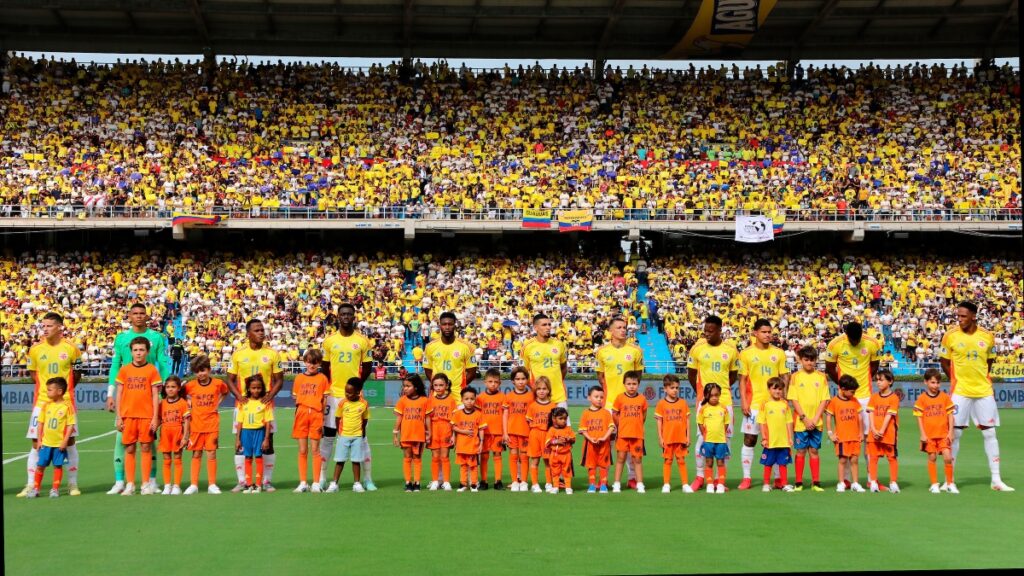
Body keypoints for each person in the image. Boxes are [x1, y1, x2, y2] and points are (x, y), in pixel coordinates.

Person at [939, 301, 1013, 491]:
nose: (960, 319)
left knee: (990, 432)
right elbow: (944, 361)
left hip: (983, 391)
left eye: (964, 316)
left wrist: (980, 379)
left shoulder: (987, 336)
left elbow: (989, 361)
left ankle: (996, 479)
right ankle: (949, 480)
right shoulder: (950, 336)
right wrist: (956, 380)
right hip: (960, 392)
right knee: (955, 433)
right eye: (959, 316)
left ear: (973, 316)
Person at [105, 303, 171, 496]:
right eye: (135, 313)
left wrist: (167, 389)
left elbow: (163, 363)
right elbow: (115, 365)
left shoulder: (157, 337)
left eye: (142, 313)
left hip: (150, 394)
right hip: (127, 396)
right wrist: (110, 393)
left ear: (147, 316)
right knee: (122, 439)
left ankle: (150, 481)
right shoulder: (122, 338)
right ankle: (120, 481)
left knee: (149, 441)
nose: (139, 316)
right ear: (129, 316)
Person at [18, 312, 82, 499]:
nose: (45, 329)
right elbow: (33, 375)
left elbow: (77, 374)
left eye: (49, 326)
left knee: (69, 441)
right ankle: (31, 485)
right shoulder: (35, 349)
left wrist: (64, 393)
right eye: (43, 326)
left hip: (66, 403)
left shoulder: (71, 348)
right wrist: (47, 394)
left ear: (59, 327)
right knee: (36, 442)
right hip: (42, 403)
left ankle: (72, 483)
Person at [320, 303, 374, 490]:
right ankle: (322, 478)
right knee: (328, 436)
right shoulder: (329, 341)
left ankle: (367, 479)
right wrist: (330, 386)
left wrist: (357, 386)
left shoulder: (363, 341)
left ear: (354, 317)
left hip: (356, 397)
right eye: (342, 314)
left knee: (362, 436)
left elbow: (368, 366)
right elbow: (325, 366)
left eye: (349, 314)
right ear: (337, 317)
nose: (346, 317)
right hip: (334, 395)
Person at [227, 319, 284, 493]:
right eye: (257, 330)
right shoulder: (238, 354)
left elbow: (279, 379)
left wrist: (269, 396)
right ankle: (242, 481)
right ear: (248, 334)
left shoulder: (273, 354)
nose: (261, 333)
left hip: (264, 406)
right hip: (243, 406)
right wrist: (239, 396)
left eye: (262, 330)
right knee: (241, 442)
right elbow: (229, 379)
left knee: (268, 442)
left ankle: (266, 481)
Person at [737, 319, 790, 490]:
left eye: (769, 332)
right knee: (750, 439)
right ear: (755, 333)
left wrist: (785, 397)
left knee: (776, 440)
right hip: (754, 404)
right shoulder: (745, 354)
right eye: (764, 332)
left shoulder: (779, 353)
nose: (767, 335)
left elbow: (785, 376)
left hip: (775, 405)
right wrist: (744, 401)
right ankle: (747, 477)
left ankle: (777, 478)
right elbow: (743, 379)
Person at [687, 315, 738, 491]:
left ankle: (719, 480)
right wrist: (703, 395)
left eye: (710, 331)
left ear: (719, 330)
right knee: (702, 438)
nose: (707, 334)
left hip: (725, 403)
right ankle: (700, 476)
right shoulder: (697, 348)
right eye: (705, 330)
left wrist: (719, 392)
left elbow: (733, 375)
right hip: (704, 404)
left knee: (725, 440)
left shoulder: (731, 349)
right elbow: (691, 374)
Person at [595, 316, 644, 487]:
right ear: (610, 331)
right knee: (607, 442)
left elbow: (638, 376)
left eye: (624, 327)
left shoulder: (636, 351)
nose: (623, 330)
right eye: (619, 327)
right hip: (609, 405)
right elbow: (600, 376)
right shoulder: (602, 352)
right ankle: (604, 477)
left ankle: (632, 478)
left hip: (629, 405)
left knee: (631, 441)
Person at [114, 337, 163, 496]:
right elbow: (119, 393)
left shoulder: (152, 370)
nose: (138, 353)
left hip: (146, 416)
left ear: (147, 352)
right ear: (131, 352)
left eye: (142, 350)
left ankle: (145, 484)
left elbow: (155, 395)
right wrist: (118, 416)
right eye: (135, 350)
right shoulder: (124, 370)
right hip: (128, 416)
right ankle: (129, 484)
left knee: (146, 447)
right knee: (129, 448)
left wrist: (155, 417)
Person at [824, 322, 882, 446]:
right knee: (845, 437)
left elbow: (875, 365)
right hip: (844, 398)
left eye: (858, 339)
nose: (855, 342)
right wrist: (844, 386)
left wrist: (862, 382)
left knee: (867, 437)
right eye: (852, 340)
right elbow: (829, 368)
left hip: (865, 395)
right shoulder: (835, 344)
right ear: (846, 335)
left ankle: (869, 466)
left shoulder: (872, 343)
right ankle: (846, 465)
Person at [183, 354, 230, 495]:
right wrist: (189, 402)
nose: (200, 374)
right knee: (196, 454)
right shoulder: (190, 385)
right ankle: (194, 485)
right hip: (196, 424)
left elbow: (225, 392)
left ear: (209, 370)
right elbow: (181, 395)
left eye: (203, 370)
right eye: (197, 371)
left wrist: (218, 403)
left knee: (211, 453)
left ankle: (212, 484)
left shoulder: (217, 383)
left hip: (212, 424)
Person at [787, 346, 829, 492]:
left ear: (816, 360)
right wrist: (804, 418)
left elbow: (824, 399)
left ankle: (815, 482)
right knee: (800, 451)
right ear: (800, 360)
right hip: (801, 422)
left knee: (814, 451)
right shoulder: (795, 377)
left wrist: (816, 418)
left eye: (812, 360)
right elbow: (794, 399)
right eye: (806, 360)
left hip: (817, 422)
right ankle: (798, 482)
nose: (809, 363)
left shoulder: (821, 377)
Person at [27, 377, 76, 499]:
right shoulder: (45, 406)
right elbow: (40, 424)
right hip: (45, 443)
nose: (47, 392)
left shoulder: (67, 406)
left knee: (58, 466)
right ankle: (36, 489)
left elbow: (70, 425)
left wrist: (65, 441)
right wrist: (39, 440)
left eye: (49, 390)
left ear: (59, 391)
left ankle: (55, 489)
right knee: (40, 465)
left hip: (59, 444)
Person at [291, 349, 330, 493]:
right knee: (302, 449)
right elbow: (296, 396)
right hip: (301, 413)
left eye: (314, 362)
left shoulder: (322, 379)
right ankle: (302, 482)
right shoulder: (299, 378)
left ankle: (316, 482)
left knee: (315, 449)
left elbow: (325, 399)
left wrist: (321, 414)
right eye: (309, 362)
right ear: (304, 362)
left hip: (316, 414)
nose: (311, 365)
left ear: (319, 363)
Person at [914, 368, 957, 494]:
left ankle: (950, 483)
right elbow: (918, 416)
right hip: (929, 435)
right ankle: (934, 484)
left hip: (944, 434)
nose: (935, 385)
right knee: (932, 457)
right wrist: (922, 434)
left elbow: (950, 415)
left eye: (938, 382)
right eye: (932, 382)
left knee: (948, 457)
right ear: (925, 382)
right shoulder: (922, 399)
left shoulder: (945, 397)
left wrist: (951, 432)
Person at [423, 311, 479, 400]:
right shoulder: (430, 347)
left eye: (450, 324)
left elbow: (472, 372)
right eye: (444, 324)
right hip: (437, 396)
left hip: (458, 396)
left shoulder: (466, 347)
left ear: (455, 325)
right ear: (440, 326)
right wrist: (439, 386)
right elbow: (428, 370)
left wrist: (460, 386)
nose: (447, 327)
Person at [327, 378, 369, 493]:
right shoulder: (343, 403)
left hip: (357, 436)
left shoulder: (364, 404)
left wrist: (362, 431)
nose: (347, 394)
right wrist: (339, 432)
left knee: (356, 460)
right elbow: (337, 417)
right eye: (346, 391)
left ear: (358, 392)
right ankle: (334, 483)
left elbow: (365, 419)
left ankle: (357, 483)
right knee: (340, 460)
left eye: (350, 392)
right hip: (344, 435)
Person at [825, 375, 866, 493]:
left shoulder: (854, 400)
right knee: (842, 460)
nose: (853, 394)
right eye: (852, 391)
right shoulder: (834, 401)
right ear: (842, 388)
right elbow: (828, 417)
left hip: (854, 436)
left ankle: (855, 483)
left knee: (854, 460)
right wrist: (830, 433)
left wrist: (861, 432)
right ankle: (841, 483)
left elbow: (860, 417)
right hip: (841, 437)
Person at [235, 374, 274, 494]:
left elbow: (268, 422)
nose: (256, 390)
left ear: (262, 388)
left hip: (259, 432)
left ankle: (258, 484)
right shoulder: (243, 403)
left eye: (258, 388)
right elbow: (240, 422)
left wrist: (266, 439)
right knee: (247, 457)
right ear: (248, 388)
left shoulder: (265, 403)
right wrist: (238, 439)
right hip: (246, 433)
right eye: (253, 388)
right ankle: (248, 484)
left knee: (258, 457)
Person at [394, 374, 432, 492]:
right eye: (404, 386)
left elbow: (427, 418)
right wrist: (395, 433)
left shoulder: (424, 400)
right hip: (406, 434)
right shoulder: (402, 400)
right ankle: (408, 482)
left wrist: (429, 432)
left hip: (419, 435)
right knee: (407, 457)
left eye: (408, 386)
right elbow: (399, 418)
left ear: (416, 387)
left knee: (417, 458)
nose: (405, 388)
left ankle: (417, 482)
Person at [611, 370, 648, 494]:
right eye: (629, 383)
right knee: (621, 458)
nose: (632, 386)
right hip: (623, 434)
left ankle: (640, 483)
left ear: (638, 384)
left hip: (637, 435)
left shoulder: (642, 399)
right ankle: (616, 483)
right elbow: (614, 413)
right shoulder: (620, 398)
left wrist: (636, 425)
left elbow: (644, 415)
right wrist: (620, 424)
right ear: (624, 384)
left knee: (637, 459)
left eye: (634, 383)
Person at [522, 313, 568, 408]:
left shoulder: (559, 344)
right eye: (544, 325)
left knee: (563, 423)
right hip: (539, 398)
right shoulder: (528, 346)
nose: (548, 327)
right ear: (536, 328)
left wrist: (557, 381)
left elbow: (563, 367)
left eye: (549, 324)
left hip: (559, 397)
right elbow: (524, 373)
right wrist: (535, 388)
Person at [756, 377, 794, 492]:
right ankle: (766, 484)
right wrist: (764, 438)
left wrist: (790, 438)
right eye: (774, 389)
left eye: (780, 389)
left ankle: (784, 484)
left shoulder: (785, 404)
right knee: (768, 463)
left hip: (783, 441)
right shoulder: (765, 404)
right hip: (770, 441)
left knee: (783, 463)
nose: (777, 391)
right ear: (769, 389)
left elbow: (789, 422)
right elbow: (762, 422)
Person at [655, 374, 692, 493]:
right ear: (665, 389)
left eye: (677, 387)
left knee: (681, 460)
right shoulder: (661, 404)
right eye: (672, 388)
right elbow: (659, 421)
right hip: (668, 438)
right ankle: (666, 484)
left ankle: (685, 484)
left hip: (680, 438)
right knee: (668, 460)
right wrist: (660, 437)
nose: (675, 390)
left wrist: (688, 436)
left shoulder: (683, 403)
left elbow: (687, 421)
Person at [866, 368, 900, 493]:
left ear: (890, 381)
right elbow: (870, 413)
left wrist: (881, 430)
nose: (878, 383)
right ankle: (873, 482)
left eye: (881, 380)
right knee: (873, 457)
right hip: (874, 433)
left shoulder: (894, 397)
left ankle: (893, 482)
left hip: (889, 433)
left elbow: (889, 415)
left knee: (891, 457)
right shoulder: (874, 397)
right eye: (877, 380)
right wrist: (873, 429)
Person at [503, 366, 534, 492]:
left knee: (524, 456)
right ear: (513, 381)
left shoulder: (531, 396)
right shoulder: (509, 396)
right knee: (513, 456)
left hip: (526, 432)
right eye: (518, 379)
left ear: (527, 380)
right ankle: (515, 481)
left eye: (523, 379)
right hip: (512, 431)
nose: (520, 381)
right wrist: (505, 433)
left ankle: (524, 482)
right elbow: (505, 415)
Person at [475, 368, 507, 490]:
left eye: (496, 382)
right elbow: (477, 416)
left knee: (497, 455)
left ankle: (498, 481)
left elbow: (505, 415)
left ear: (500, 383)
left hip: (498, 432)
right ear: (485, 382)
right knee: (484, 456)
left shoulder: (503, 397)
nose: (493, 384)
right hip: (484, 433)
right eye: (490, 381)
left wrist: (505, 433)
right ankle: (483, 480)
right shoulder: (480, 398)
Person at [578, 386, 614, 493]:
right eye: (596, 396)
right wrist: (590, 438)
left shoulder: (606, 413)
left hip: (604, 444)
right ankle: (592, 485)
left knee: (603, 465)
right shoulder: (585, 413)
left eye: (601, 397)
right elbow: (583, 430)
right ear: (589, 397)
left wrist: (604, 437)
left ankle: (603, 485)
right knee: (591, 465)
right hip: (590, 445)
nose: (599, 399)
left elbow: (611, 427)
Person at [158, 375, 190, 495]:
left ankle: (176, 486)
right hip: (165, 433)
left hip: (177, 432)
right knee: (166, 459)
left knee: (177, 458)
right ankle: (167, 485)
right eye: (168, 387)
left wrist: (185, 436)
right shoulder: (162, 403)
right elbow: (159, 419)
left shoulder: (182, 403)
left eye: (173, 387)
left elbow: (187, 421)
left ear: (178, 388)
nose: (170, 389)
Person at [697, 383, 731, 494]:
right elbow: (700, 423)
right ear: (706, 395)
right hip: (708, 442)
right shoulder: (703, 409)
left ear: (720, 395)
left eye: (716, 395)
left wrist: (721, 433)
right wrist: (704, 434)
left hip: (721, 441)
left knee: (721, 462)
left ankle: (720, 484)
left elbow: (726, 423)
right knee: (709, 462)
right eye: (711, 395)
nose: (714, 397)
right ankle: (710, 484)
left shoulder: (723, 409)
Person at [451, 386, 486, 492]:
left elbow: (481, 430)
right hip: (461, 446)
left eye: (472, 399)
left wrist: (481, 443)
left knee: (473, 466)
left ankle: (474, 484)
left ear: (475, 400)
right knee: (463, 465)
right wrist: (464, 432)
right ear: (462, 400)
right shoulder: (457, 414)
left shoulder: (478, 414)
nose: (469, 401)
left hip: (473, 446)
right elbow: (453, 427)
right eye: (466, 399)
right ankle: (463, 484)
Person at [426, 374, 457, 491]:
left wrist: (454, 435)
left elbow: (454, 420)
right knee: (435, 457)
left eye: (441, 385)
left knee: (445, 457)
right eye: (435, 385)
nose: (438, 388)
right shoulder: (430, 400)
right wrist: (428, 432)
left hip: (446, 429)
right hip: (434, 429)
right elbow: (427, 417)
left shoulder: (451, 400)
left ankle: (446, 482)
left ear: (446, 385)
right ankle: (435, 481)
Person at [526, 376, 556, 493]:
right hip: (535, 434)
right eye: (538, 389)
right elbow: (529, 421)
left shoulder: (553, 406)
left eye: (544, 388)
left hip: (548, 435)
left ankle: (549, 483)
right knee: (535, 460)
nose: (541, 391)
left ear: (548, 390)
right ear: (535, 391)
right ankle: (535, 484)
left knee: (548, 461)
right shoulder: (532, 405)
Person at [545, 407, 576, 494]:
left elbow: (574, 439)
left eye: (565, 418)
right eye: (561, 418)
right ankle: (555, 486)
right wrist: (556, 441)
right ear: (554, 419)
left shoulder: (568, 429)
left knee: (567, 471)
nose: (563, 421)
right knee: (555, 471)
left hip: (566, 454)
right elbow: (547, 443)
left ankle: (568, 487)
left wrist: (569, 439)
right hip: (555, 454)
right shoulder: (551, 430)